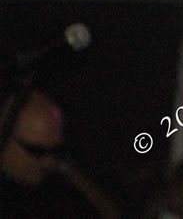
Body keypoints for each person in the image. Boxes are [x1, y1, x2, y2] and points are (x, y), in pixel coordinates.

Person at [0, 88, 121, 218]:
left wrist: (70, 171)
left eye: (55, 150)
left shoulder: (53, 189)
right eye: (38, 151)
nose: (50, 162)